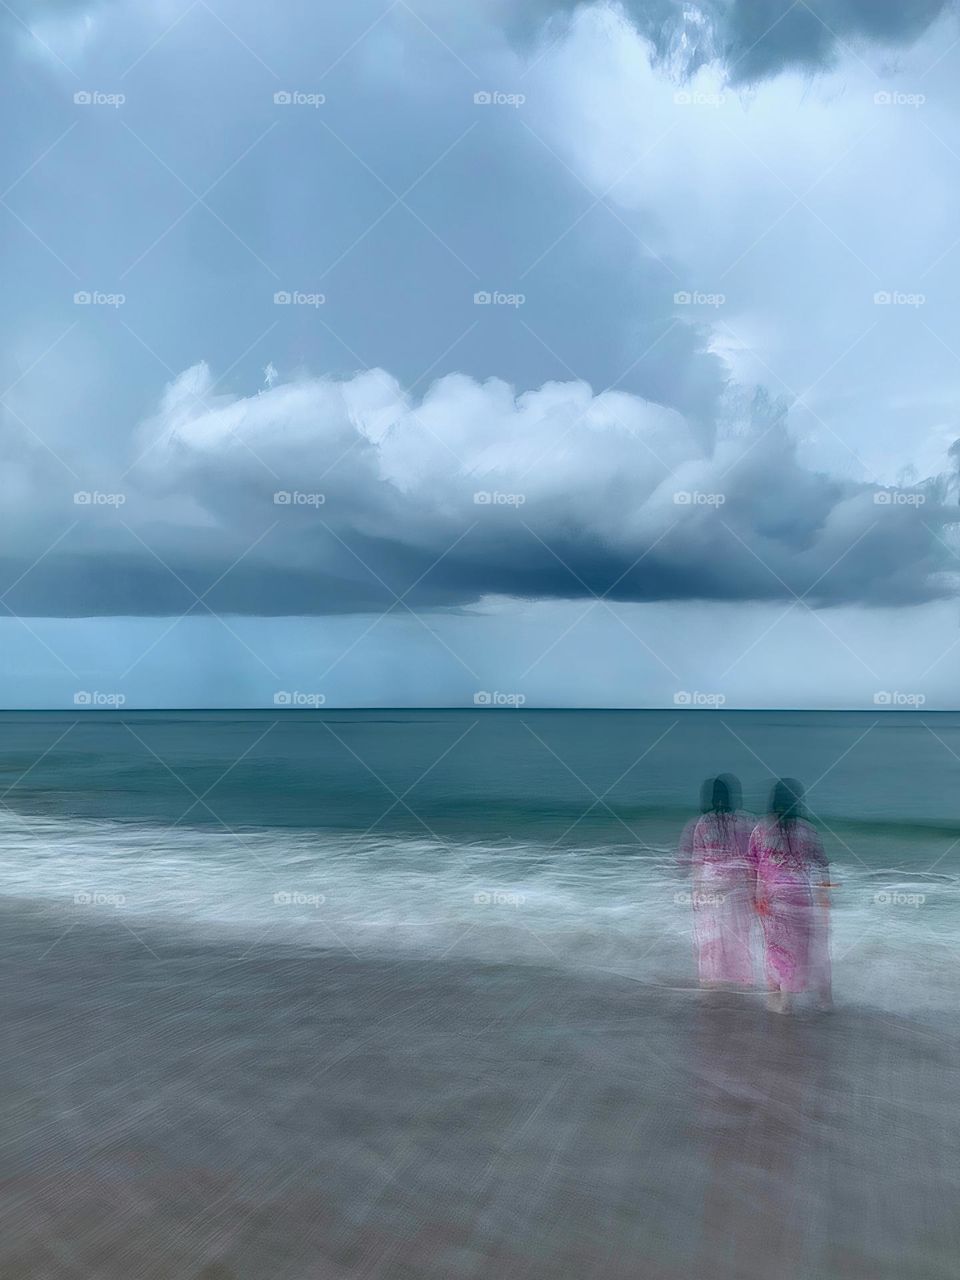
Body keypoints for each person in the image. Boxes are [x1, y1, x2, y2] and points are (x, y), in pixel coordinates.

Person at [749, 778, 832, 1013]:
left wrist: (754, 897)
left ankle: (780, 1000)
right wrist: (824, 902)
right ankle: (821, 1001)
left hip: (773, 899)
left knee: (775, 950)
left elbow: (751, 867)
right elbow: (823, 866)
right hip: (801, 899)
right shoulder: (808, 830)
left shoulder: (761, 829)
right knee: (801, 950)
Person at [688, 774, 756, 988]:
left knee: (711, 938)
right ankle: (742, 981)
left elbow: (698, 861)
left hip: (711, 885)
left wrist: (695, 891)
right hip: (738, 887)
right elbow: (754, 858)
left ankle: (711, 982)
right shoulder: (746, 821)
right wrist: (756, 889)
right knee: (738, 937)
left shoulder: (703, 823)